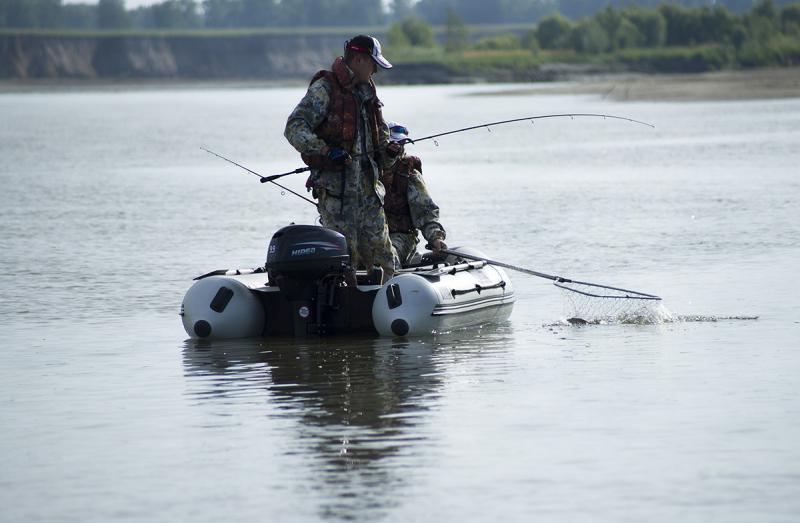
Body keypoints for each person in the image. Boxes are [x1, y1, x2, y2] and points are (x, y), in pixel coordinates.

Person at [284, 34, 403, 283]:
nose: (375, 72)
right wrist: (325, 150)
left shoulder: (367, 92)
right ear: (359, 60)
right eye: (373, 65)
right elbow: (295, 126)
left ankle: (391, 307)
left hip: (370, 196)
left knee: (384, 259)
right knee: (343, 261)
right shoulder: (325, 89)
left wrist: (390, 152)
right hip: (337, 199)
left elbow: (380, 140)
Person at [381, 122, 447, 267]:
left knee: (387, 255)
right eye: (393, 143)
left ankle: (391, 286)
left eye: (402, 143)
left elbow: (425, 211)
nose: (398, 147)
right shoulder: (365, 170)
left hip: (401, 236)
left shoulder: (409, 174)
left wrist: (435, 238)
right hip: (369, 236)